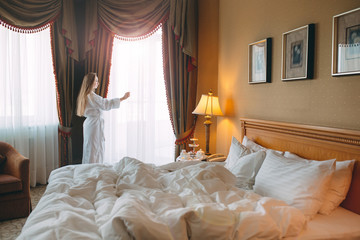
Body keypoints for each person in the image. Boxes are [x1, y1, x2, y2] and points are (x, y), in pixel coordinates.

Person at [76, 72, 130, 164]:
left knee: (90, 148)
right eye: (96, 81)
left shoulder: (85, 95)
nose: (98, 83)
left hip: (90, 124)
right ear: (91, 83)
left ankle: (89, 169)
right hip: (94, 125)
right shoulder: (91, 96)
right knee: (94, 149)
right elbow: (105, 104)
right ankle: (93, 170)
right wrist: (123, 98)